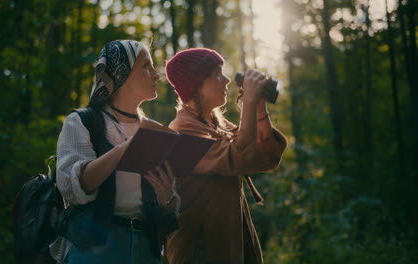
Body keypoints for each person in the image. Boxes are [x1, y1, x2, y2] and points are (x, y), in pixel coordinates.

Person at [50, 40, 180, 264]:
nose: (156, 75)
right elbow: (71, 188)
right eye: (146, 67)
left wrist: (166, 196)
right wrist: (125, 148)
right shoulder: (83, 121)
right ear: (123, 74)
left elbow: (168, 212)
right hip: (94, 249)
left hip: (145, 250)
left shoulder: (152, 130)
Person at [164, 48, 287, 264]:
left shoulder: (215, 124)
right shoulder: (180, 132)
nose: (227, 80)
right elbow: (239, 156)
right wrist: (247, 103)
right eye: (217, 73)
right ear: (196, 85)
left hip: (231, 245)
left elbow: (266, 155)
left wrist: (258, 109)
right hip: (199, 251)